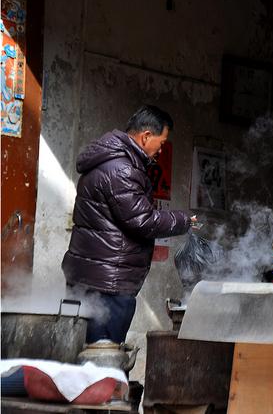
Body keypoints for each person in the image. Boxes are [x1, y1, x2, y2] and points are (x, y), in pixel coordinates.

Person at [62, 104, 197, 345]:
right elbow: (142, 221)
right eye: (162, 142)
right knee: (103, 355)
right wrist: (183, 220)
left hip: (89, 275)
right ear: (146, 136)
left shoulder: (106, 161)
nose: (161, 150)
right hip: (109, 282)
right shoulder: (122, 169)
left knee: (81, 352)